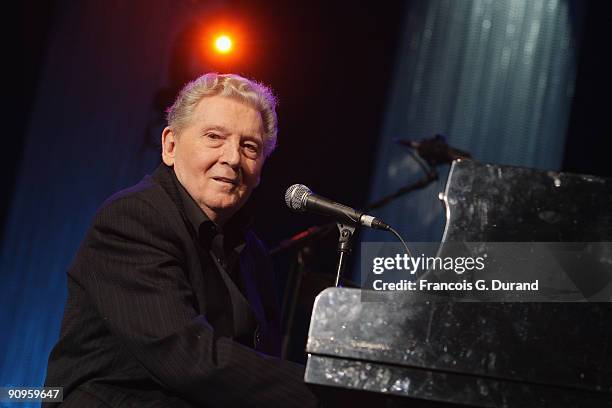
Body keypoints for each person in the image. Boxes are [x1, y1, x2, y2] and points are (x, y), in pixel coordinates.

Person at [43, 73, 319, 407]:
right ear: (170, 146)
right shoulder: (132, 217)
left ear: (261, 169)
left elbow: (258, 362)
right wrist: (322, 392)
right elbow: (186, 356)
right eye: (215, 137)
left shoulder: (252, 251)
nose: (233, 158)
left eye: (250, 146)